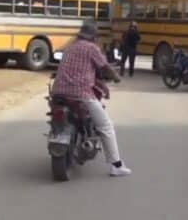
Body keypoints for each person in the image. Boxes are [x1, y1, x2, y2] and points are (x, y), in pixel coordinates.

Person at [52, 21, 131, 177]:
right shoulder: (91, 48)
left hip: (59, 93)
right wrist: (116, 77)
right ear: (94, 36)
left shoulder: (70, 47)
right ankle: (116, 165)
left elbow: (83, 71)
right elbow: (105, 67)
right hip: (80, 95)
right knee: (106, 125)